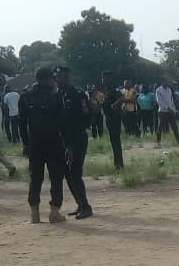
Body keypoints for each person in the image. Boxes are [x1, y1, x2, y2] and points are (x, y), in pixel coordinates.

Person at [18, 66, 66, 224]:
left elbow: (21, 124)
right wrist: (68, 144)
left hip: (35, 144)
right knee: (56, 178)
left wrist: (25, 143)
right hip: (54, 143)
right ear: (47, 79)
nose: (55, 81)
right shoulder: (57, 97)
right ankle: (54, 212)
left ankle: (35, 214)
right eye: (53, 78)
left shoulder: (26, 97)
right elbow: (63, 123)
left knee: (35, 178)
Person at [54, 65, 93, 220]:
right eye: (57, 77)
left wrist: (75, 134)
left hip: (77, 138)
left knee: (75, 173)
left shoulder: (77, 94)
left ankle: (86, 206)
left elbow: (87, 115)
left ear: (68, 78)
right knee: (69, 174)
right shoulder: (58, 95)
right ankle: (80, 204)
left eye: (62, 77)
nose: (59, 80)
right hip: (65, 140)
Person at [100, 71, 124, 169]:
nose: (103, 80)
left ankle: (119, 164)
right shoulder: (105, 91)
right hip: (109, 118)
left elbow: (121, 98)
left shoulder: (114, 90)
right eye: (103, 78)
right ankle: (117, 163)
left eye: (105, 78)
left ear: (110, 79)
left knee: (116, 142)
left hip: (114, 118)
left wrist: (115, 105)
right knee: (114, 142)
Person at [155, 78, 179, 146]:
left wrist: (173, 109)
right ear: (162, 82)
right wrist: (168, 108)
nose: (167, 83)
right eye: (165, 81)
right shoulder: (158, 90)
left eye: (167, 81)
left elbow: (171, 101)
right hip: (162, 111)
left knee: (174, 126)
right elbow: (159, 102)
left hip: (170, 111)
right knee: (160, 127)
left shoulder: (169, 89)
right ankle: (158, 141)